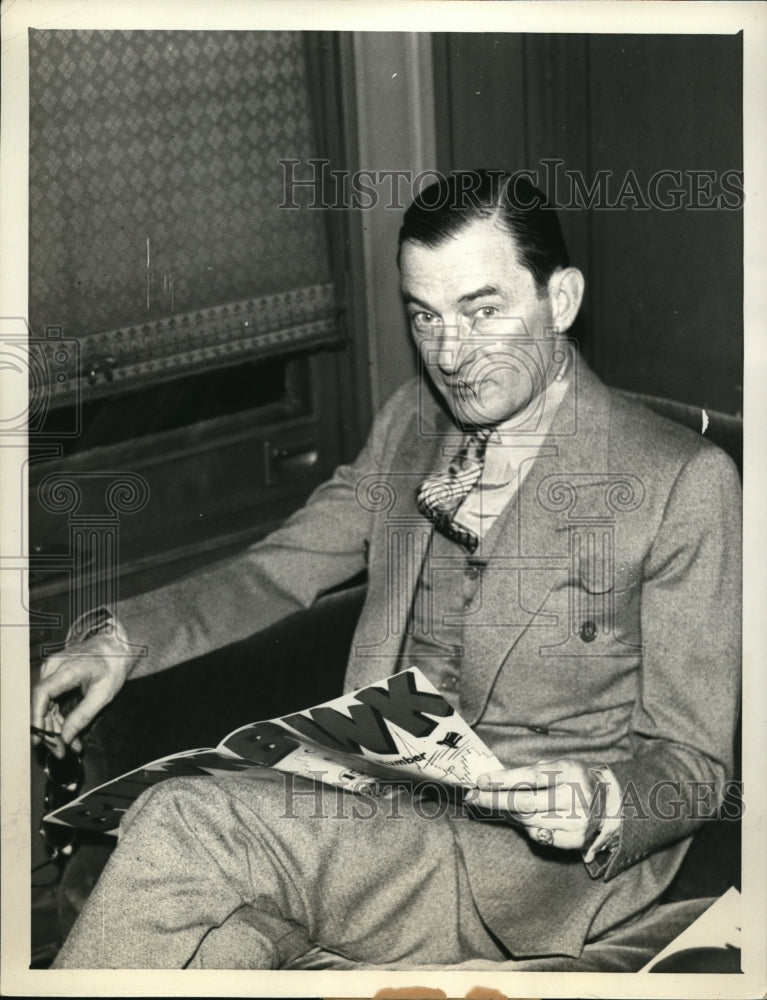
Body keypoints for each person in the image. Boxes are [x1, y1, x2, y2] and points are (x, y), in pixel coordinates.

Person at [31, 171, 741, 970]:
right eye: (424, 318)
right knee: (215, 947)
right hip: (371, 812)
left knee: (183, 822)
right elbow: (280, 569)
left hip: (522, 872)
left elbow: (695, 765)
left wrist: (602, 800)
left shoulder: (681, 481)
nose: (450, 355)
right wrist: (122, 643)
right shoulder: (411, 422)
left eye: (481, 311)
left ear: (562, 299)